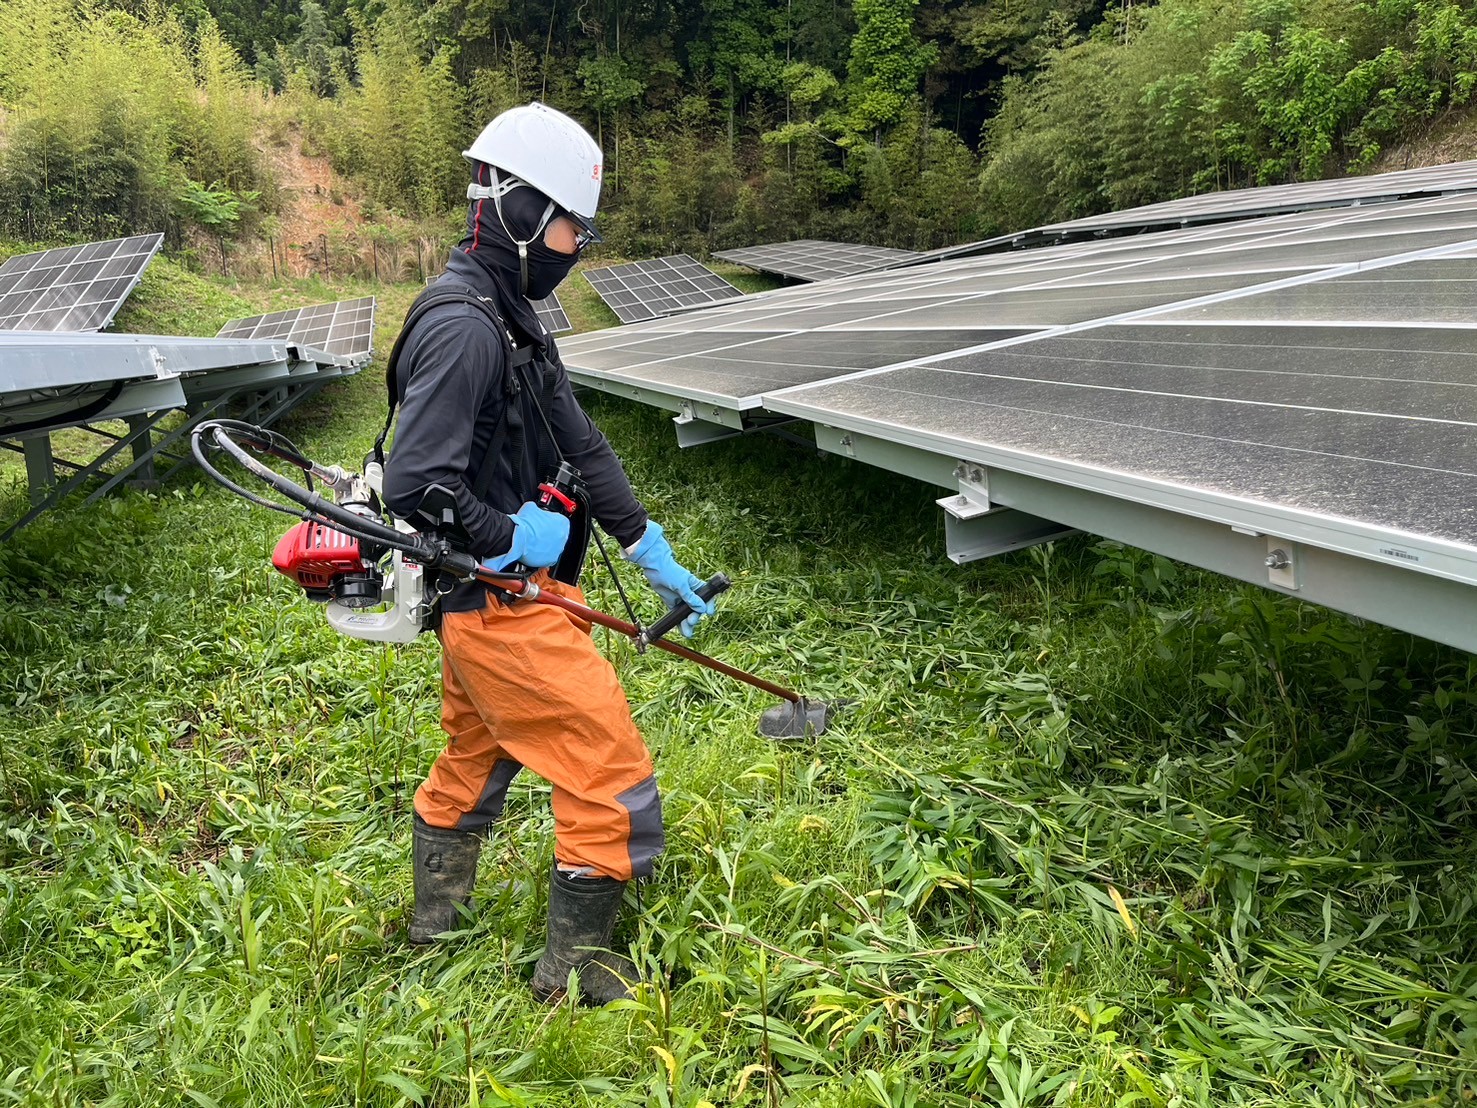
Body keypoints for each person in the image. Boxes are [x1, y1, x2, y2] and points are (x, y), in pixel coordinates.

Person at [380, 102, 715, 1005]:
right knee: (607, 765)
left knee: (475, 757)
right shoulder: (462, 326)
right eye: (571, 224)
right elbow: (414, 486)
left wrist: (644, 543)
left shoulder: (515, 315)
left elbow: (585, 445)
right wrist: (510, 537)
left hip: (498, 602)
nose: (577, 244)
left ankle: (430, 929)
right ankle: (577, 980)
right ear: (522, 212)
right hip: (493, 598)